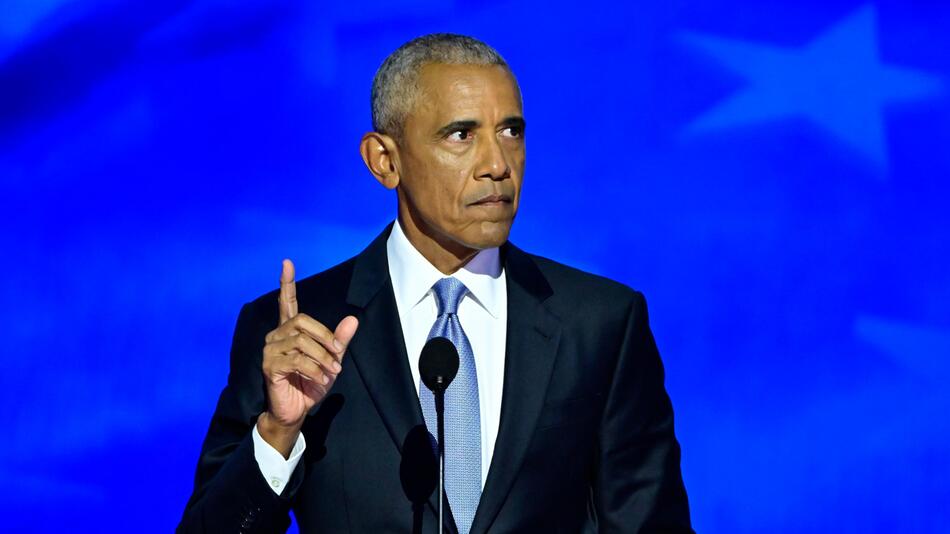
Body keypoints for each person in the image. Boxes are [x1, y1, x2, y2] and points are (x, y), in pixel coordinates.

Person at [178, 33, 692, 533]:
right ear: (385, 161)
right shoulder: (298, 331)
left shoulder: (600, 324)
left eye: (511, 131)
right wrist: (278, 433)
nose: (497, 165)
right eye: (461, 135)